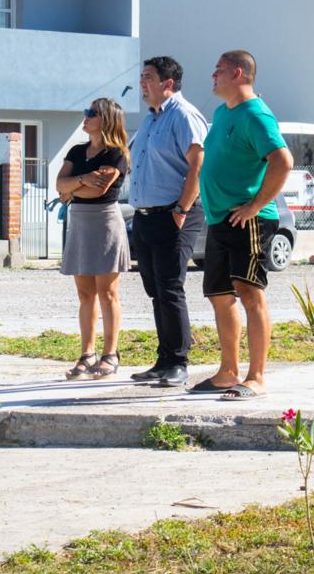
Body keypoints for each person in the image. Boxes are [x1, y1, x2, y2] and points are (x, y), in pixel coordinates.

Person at [193, 50, 293, 400]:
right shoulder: (223, 113)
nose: (212, 76)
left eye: (218, 70)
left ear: (237, 73)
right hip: (220, 218)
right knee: (220, 295)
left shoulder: (256, 114)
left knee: (249, 292)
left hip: (248, 220)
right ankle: (228, 371)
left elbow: (283, 161)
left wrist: (255, 205)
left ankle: (257, 377)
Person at [128, 56, 209, 387]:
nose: (142, 84)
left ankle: (179, 362)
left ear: (168, 84)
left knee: (171, 287)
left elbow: (198, 165)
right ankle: (163, 360)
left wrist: (181, 210)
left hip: (176, 214)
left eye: (148, 78)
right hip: (146, 217)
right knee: (155, 288)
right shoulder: (150, 119)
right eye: (142, 77)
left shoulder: (184, 115)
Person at [56, 98, 131, 380]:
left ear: (107, 119)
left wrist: (73, 188)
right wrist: (83, 179)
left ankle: (110, 354)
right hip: (79, 223)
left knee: (107, 292)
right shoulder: (76, 151)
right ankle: (87, 354)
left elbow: (99, 191)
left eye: (92, 113)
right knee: (85, 294)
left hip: (104, 222)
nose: (85, 117)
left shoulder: (116, 154)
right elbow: (58, 184)